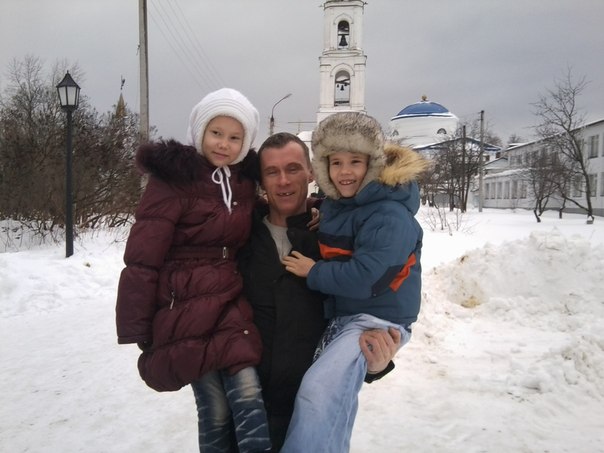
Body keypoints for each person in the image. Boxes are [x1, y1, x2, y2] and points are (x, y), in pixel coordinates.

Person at [115, 88, 271, 453]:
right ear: (200, 130)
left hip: (229, 295)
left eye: (235, 138)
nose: (224, 144)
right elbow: (142, 258)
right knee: (215, 407)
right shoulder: (174, 179)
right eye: (216, 133)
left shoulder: (244, 182)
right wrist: (138, 325)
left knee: (248, 388)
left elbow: (263, 216)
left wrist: (310, 210)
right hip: (184, 301)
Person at [238, 132, 402, 451]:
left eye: (293, 168)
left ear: (312, 172)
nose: (283, 181)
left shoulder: (337, 241)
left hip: (311, 414)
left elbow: (362, 313)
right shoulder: (240, 239)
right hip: (247, 410)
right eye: (272, 172)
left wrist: (376, 364)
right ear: (261, 180)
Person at [280, 112, 428, 452]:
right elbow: (342, 219)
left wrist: (313, 271)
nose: (344, 171)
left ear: (372, 165)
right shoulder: (343, 205)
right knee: (334, 402)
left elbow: (368, 278)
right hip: (350, 316)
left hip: (377, 320)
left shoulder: (390, 214)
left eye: (355, 162)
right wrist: (317, 212)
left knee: (319, 393)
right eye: (336, 163)